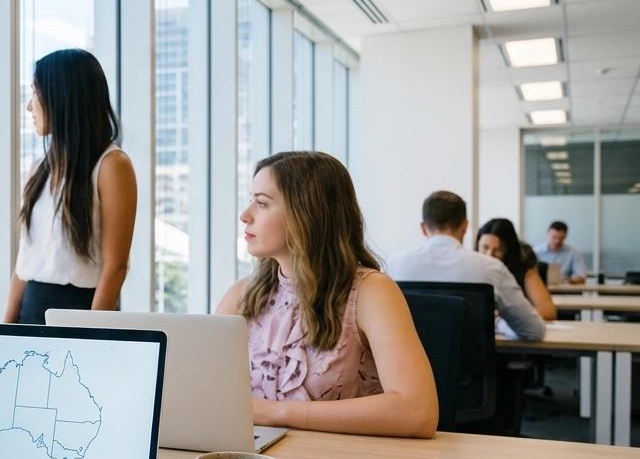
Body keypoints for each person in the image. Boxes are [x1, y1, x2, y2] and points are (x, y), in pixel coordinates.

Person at [215, 151, 438, 439]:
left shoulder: (371, 292)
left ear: (307, 214)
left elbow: (417, 412)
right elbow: (203, 389)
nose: (245, 215)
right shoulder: (242, 295)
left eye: (262, 203)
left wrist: (277, 413)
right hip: (254, 455)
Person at [5, 48, 138, 325]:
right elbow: (24, 264)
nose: (29, 106)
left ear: (61, 96)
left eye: (34, 93)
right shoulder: (39, 169)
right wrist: (3, 330)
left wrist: (89, 334)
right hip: (30, 313)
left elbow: (115, 267)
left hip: (81, 313)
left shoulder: (112, 165)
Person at [386, 191, 547, 341]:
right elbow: (533, 331)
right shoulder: (491, 268)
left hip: (408, 362)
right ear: (464, 226)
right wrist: (499, 324)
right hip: (471, 363)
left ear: (423, 228)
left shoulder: (393, 266)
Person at [477, 218, 556, 320]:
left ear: (509, 250)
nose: (489, 255)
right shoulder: (470, 268)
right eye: (485, 247)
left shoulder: (524, 272)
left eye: (498, 250)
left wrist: (505, 317)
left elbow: (548, 310)